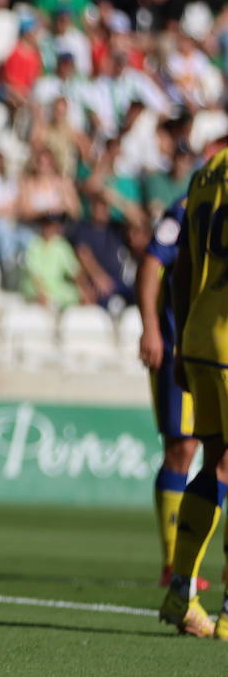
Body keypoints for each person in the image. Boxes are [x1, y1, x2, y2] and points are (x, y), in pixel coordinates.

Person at [161, 140, 228, 638]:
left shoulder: (205, 175)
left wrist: (182, 343)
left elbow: (181, 268)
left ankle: (180, 586)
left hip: (202, 334)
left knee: (216, 463)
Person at [136, 195, 203, 590]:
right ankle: (172, 561)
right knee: (182, 447)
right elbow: (150, 263)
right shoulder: (187, 206)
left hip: (214, 345)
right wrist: (151, 328)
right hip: (178, 343)